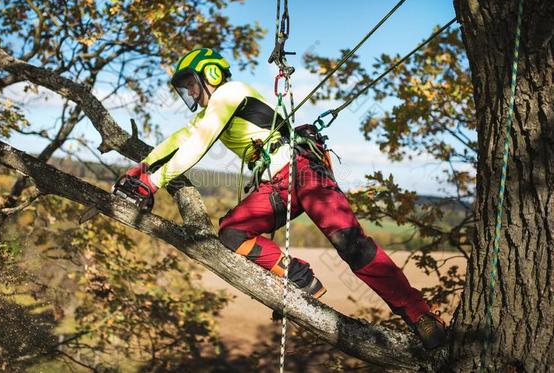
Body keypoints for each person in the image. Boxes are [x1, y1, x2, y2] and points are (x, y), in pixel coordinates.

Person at [125, 48, 446, 349]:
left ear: (209, 74)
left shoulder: (230, 93)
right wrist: (141, 170)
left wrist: (152, 183)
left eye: (192, 85)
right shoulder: (211, 112)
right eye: (186, 89)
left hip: (304, 171)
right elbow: (180, 139)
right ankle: (299, 276)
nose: (191, 94)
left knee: (352, 245)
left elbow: (198, 145)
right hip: (276, 184)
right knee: (232, 232)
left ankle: (420, 315)